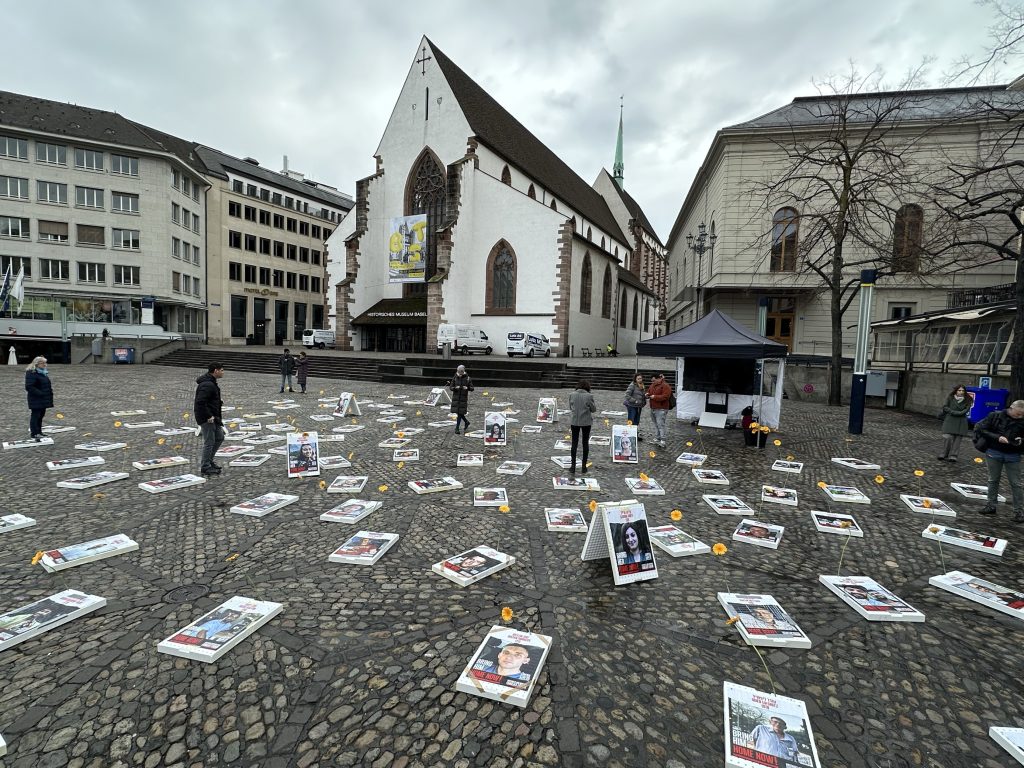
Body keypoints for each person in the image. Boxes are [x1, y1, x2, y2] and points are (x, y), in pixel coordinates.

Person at [975, 399, 1024, 521]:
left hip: (1013, 454)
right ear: (1011, 408)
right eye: (1018, 414)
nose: (1019, 416)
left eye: (1022, 415)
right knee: (993, 480)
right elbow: (981, 429)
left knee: (1016, 483)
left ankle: (1019, 511)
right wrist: (998, 437)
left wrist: (1021, 440)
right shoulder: (995, 416)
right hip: (994, 452)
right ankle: (991, 505)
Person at [194, 362, 225, 476]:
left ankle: (209, 461)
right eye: (221, 370)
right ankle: (205, 466)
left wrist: (218, 402)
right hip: (207, 418)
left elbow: (209, 399)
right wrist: (208, 416)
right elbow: (200, 402)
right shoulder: (207, 384)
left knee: (220, 437)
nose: (223, 372)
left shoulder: (211, 382)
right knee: (209, 441)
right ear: (215, 371)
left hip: (214, 416)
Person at [569, 379, 597, 473]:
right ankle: (584, 467)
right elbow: (593, 409)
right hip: (586, 422)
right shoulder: (589, 396)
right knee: (585, 443)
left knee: (574, 443)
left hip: (574, 421)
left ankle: (572, 466)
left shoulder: (572, 394)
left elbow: (570, 407)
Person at [938, 384, 971, 461]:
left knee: (957, 440)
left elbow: (966, 410)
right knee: (948, 437)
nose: (961, 392)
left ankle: (953, 456)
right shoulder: (950, 398)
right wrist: (952, 412)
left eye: (963, 390)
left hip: (961, 422)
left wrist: (957, 413)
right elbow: (945, 407)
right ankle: (944, 454)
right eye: (959, 390)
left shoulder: (968, 400)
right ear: (956, 391)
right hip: (950, 420)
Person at [25, 356, 53, 440]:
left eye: (45, 363)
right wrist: (41, 394)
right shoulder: (32, 373)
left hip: (43, 399)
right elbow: (29, 386)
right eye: (43, 363)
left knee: (41, 416)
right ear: (37, 364)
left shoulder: (43, 372)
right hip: (36, 398)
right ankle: (34, 433)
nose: (45, 365)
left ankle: (39, 432)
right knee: (35, 416)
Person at [647, 373, 672, 448]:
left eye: (654, 380)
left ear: (658, 379)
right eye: (652, 381)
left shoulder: (665, 385)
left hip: (661, 408)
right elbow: (649, 391)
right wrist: (647, 394)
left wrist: (655, 397)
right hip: (653, 408)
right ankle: (657, 438)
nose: (653, 382)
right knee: (656, 424)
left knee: (661, 424)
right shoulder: (652, 385)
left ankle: (663, 440)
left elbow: (666, 396)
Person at [450, 364, 474, 434]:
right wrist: (455, 388)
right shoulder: (455, 377)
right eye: (459, 372)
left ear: (463, 372)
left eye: (461, 372)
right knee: (459, 413)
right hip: (456, 398)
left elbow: (472, 388)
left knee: (460, 414)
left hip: (463, 398)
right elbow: (451, 387)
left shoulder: (468, 378)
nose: (460, 374)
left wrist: (467, 388)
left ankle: (457, 428)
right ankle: (466, 422)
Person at [623, 374, 646, 439]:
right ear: (635, 379)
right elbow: (627, 395)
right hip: (632, 405)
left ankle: (635, 433)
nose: (640, 380)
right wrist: (634, 400)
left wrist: (645, 396)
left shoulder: (642, 385)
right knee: (631, 419)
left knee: (637, 420)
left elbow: (642, 395)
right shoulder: (632, 385)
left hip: (639, 406)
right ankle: (629, 433)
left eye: (641, 378)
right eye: (638, 379)